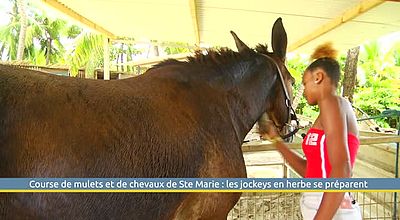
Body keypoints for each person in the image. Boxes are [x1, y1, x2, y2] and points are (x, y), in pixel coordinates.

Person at [262, 42, 362, 220]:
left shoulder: (333, 103)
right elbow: (311, 170)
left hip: (331, 206)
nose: (304, 89)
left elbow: (342, 169)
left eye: (305, 83)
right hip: (322, 203)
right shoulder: (327, 112)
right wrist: (276, 140)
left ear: (318, 77)